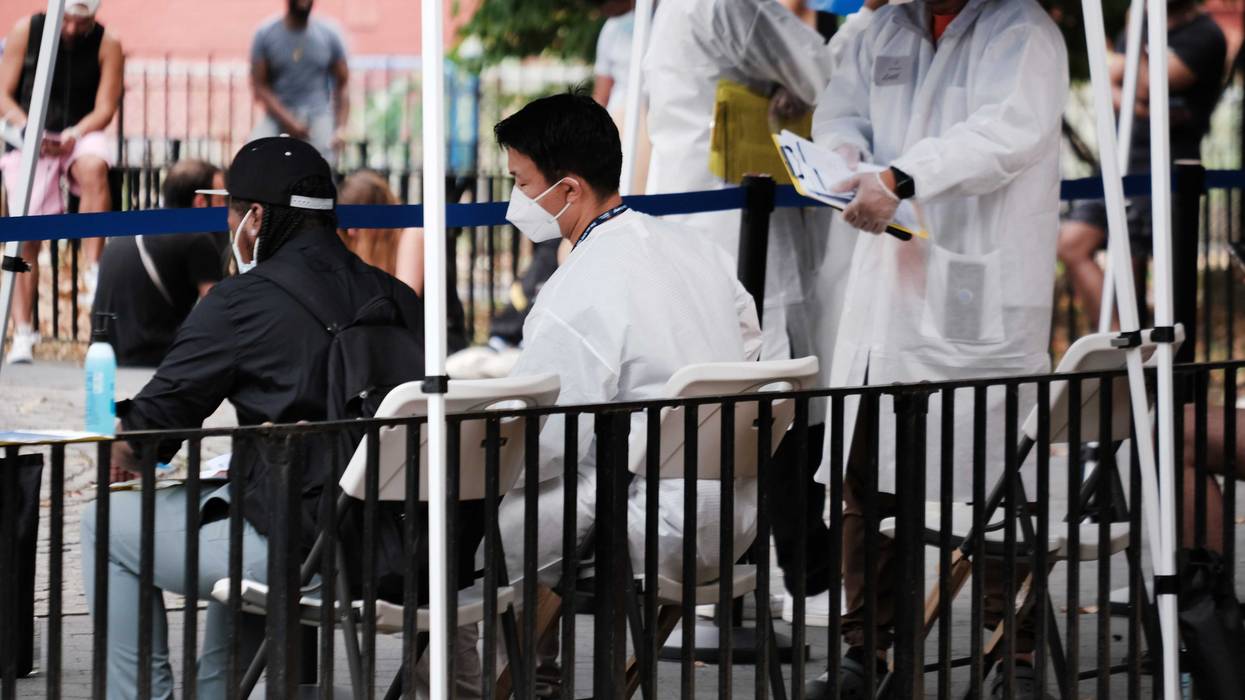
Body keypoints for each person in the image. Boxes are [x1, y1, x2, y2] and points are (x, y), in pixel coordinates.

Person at [79, 137, 479, 699]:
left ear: (256, 218)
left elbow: (156, 427)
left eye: (232, 211)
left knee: (107, 526)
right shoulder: (396, 297)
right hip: (407, 550)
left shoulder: (240, 300)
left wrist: (119, 444)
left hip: (309, 551)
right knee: (248, 511)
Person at [808, 1, 1068, 698]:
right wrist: (843, 159)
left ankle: (1010, 653)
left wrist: (899, 177)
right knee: (865, 476)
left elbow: (1005, 134)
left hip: (974, 289)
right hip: (883, 288)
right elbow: (839, 112)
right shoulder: (880, 29)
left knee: (996, 478)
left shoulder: (1022, 31)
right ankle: (866, 652)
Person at [489, 92, 762, 692]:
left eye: (521, 181)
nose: (516, 198)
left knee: (475, 525)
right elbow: (749, 346)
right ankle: (539, 670)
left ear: (568, 189)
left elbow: (544, 441)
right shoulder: (697, 250)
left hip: (642, 525)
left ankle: (488, 681)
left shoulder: (579, 288)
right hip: (736, 516)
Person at [1058, 0, 1226, 326]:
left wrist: (1134, 58)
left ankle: (1148, 364)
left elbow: (1151, 83)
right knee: (1072, 243)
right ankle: (1117, 351)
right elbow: (1110, 84)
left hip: (1162, 170)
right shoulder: (1139, 25)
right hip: (1118, 162)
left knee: (1138, 268)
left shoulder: (1205, 35)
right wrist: (1138, 94)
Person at [0, 0, 122, 363]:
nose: (71, 29)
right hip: (29, 130)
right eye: (66, 20)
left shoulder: (107, 43)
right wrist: (28, 128)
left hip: (79, 131)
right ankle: (24, 331)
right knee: (26, 229)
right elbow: (3, 94)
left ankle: (94, 269)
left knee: (93, 166)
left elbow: (105, 107)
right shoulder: (27, 30)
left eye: (80, 23)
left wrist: (73, 134)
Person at [90, 159, 228, 367]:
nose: (226, 209)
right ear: (200, 202)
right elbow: (216, 311)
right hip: (155, 360)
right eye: (220, 201)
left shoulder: (132, 226)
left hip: (106, 357)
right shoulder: (197, 238)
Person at [336, 169, 469, 353]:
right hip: (398, 343)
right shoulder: (359, 244)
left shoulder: (412, 235)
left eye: (358, 222)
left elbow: (402, 302)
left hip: (435, 344)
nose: (351, 232)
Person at [249, 0, 349, 163]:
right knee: (254, 154)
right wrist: (289, 120)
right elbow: (259, 86)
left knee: (322, 164)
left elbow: (343, 83)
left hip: (318, 116)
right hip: (277, 116)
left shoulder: (329, 34)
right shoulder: (265, 33)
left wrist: (341, 128)